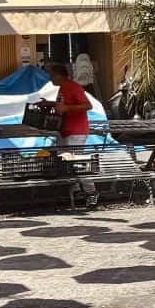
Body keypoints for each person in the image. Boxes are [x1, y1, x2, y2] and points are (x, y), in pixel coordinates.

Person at [43, 63, 96, 208]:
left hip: (76, 131)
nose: (50, 78)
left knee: (78, 163)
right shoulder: (62, 88)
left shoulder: (73, 87)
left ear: (59, 75)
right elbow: (62, 105)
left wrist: (67, 108)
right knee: (66, 163)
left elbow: (87, 106)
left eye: (52, 75)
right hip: (64, 131)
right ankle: (76, 191)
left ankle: (91, 193)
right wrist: (49, 104)